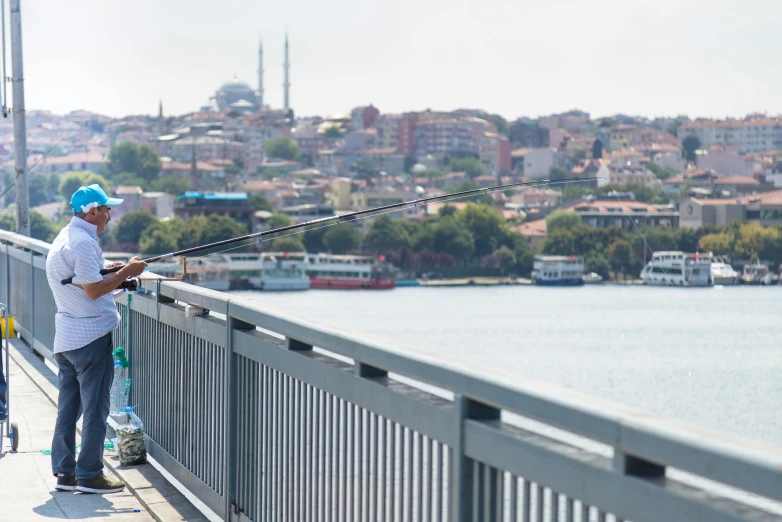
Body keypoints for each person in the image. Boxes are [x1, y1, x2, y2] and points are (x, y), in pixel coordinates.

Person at [45, 184, 147, 494]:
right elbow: (92, 290)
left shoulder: (66, 237)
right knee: (95, 411)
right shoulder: (83, 242)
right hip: (90, 339)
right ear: (92, 212)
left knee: (68, 410)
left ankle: (65, 473)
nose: (110, 215)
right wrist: (127, 270)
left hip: (68, 338)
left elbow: (84, 284)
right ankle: (89, 474)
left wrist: (113, 275)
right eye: (105, 210)